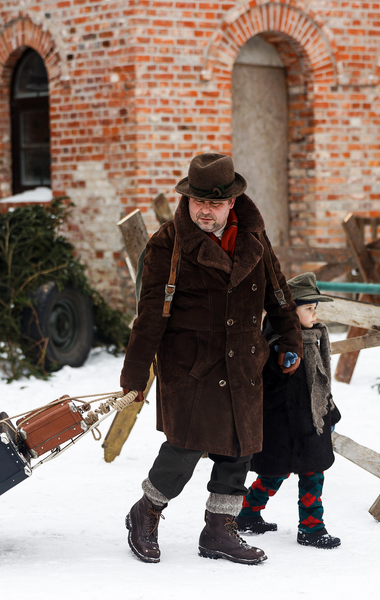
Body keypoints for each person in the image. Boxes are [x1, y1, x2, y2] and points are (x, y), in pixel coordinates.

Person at [120, 153, 303, 565]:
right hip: (190, 366)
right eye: (197, 201)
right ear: (186, 199)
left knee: (237, 451)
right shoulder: (167, 244)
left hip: (242, 363)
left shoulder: (254, 238)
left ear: (232, 202)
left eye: (214, 203)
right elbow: (149, 315)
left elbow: (279, 294)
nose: (205, 210)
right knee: (183, 449)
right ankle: (146, 512)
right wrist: (134, 375)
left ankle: (219, 530)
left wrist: (291, 338)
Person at [236, 271, 342, 549]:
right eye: (309, 308)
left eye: (315, 308)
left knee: (310, 473)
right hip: (282, 424)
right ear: (289, 313)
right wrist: (278, 364)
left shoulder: (312, 339)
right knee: (277, 472)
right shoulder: (276, 345)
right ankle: (309, 529)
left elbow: (320, 383)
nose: (314, 313)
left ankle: (252, 514)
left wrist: (330, 414)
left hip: (308, 424)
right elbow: (266, 384)